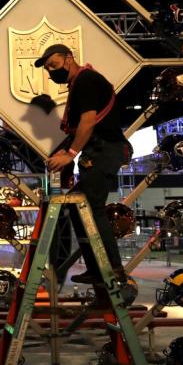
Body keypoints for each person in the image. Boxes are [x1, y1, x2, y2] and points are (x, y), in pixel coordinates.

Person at [38, 44, 132, 285]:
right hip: (98, 150)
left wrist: (69, 154)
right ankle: (96, 266)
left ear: (69, 58)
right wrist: (62, 151)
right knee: (78, 207)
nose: (51, 71)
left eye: (54, 64)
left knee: (91, 206)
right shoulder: (80, 83)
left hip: (105, 149)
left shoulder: (86, 80)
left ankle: (112, 268)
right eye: (48, 68)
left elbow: (88, 122)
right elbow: (81, 127)